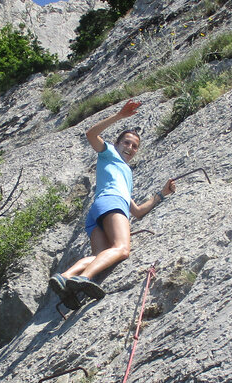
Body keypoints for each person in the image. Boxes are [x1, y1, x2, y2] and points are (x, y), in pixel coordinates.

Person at [49, 100, 176, 309]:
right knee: (122, 249)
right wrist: (119, 115)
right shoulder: (109, 153)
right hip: (111, 204)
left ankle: (65, 277)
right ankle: (83, 279)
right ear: (117, 144)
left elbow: (136, 211)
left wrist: (161, 194)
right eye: (126, 142)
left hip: (100, 210)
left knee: (100, 256)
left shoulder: (125, 173)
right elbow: (91, 134)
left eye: (135, 146)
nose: (130, 148)